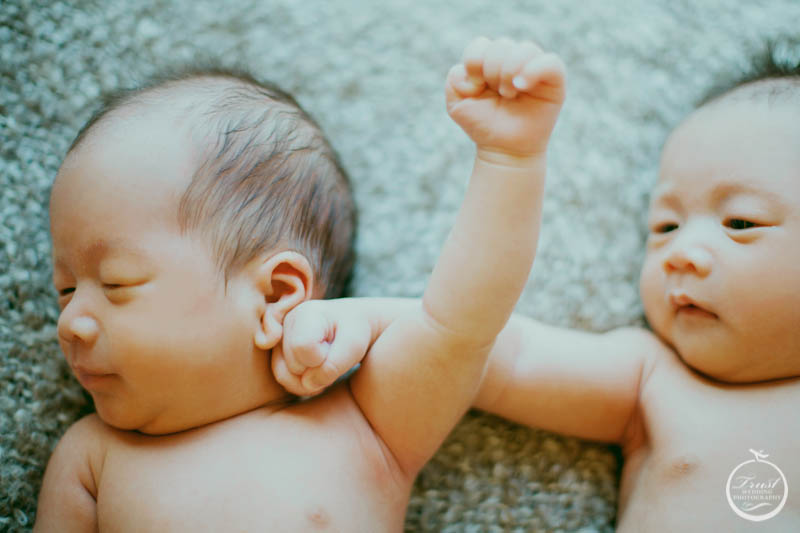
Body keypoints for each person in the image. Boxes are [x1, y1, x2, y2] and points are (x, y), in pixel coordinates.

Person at [34, 37, 566, 531]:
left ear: (274, 296)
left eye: (116, 283)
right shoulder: (91, 458)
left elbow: (461, 318)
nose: (70, 322)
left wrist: (510, 159)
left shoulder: (369, 426)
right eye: (65, 289)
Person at [278, 44, 800, 530]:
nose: (682, 253)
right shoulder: (653, 381)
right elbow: (500, 353)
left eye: (741, 223)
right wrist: (368, 321)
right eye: (665, 227)